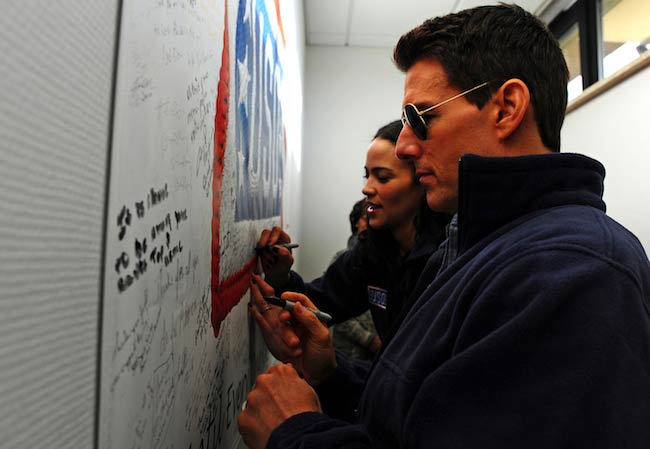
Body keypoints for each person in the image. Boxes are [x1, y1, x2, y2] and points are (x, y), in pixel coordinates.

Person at [239, 4, 650, 449]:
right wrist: (331, 374)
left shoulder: (575, 274)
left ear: (506, 108)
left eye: (421, 118)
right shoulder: (473, 244)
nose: (403, 148)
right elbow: (421, 415)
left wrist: (295, 435)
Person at [256, 120, 449, 351]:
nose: (367, 188)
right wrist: (280, 276)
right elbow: (320, 302)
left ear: (421, 180)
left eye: (383, 177)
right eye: (367, 175)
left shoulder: (449, 256)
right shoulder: (371, 251)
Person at [330, 199, 381, 360]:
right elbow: (334, 308)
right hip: (348, 354)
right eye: (367, 217)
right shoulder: (343, 259)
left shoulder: (384, 260)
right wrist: (369, 340)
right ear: (357, 223)